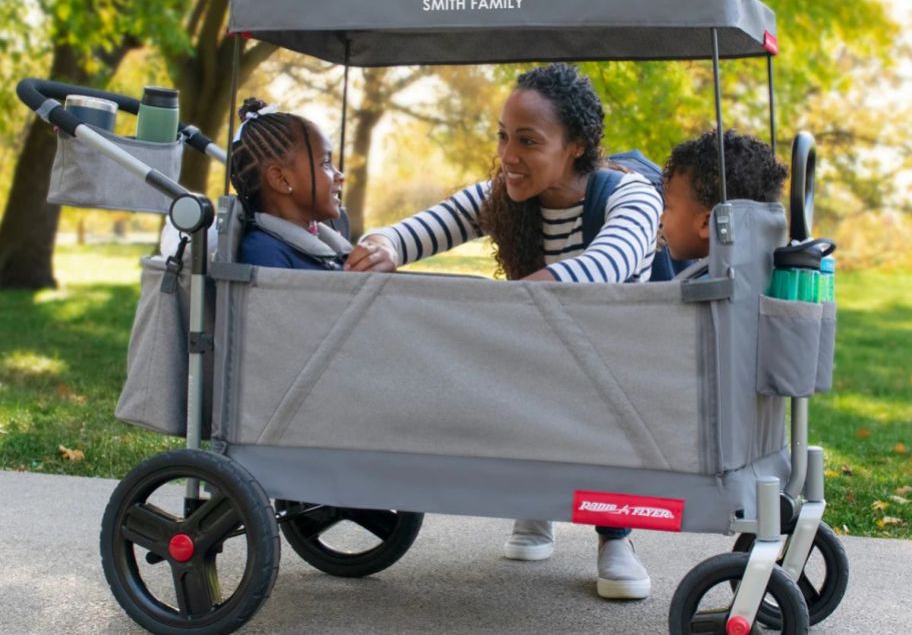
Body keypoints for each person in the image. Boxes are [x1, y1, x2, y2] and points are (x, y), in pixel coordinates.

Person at [346, 63, 663, 600]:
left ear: (577, 146)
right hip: (540, 354)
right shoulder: (506, 193)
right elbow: (424, 226)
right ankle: (535, 503)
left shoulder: (629, 198)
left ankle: (616, 536)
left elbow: (606, 264)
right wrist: (383, 247)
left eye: (528, 141)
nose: (508, 155)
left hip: (616, 365)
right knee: (507, 367)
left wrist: (505, 306)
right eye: (502, 136)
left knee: (586, 392)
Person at [229, 98, 349, 269]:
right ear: (282, 180)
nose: (340, 176)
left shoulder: (328, 247)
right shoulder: (265, 252)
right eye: (325, 163)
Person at [661, 128, 787, 262]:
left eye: (668, 207)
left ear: (707, 223)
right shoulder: (759, 273)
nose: (661, 218)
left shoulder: (711, 282)